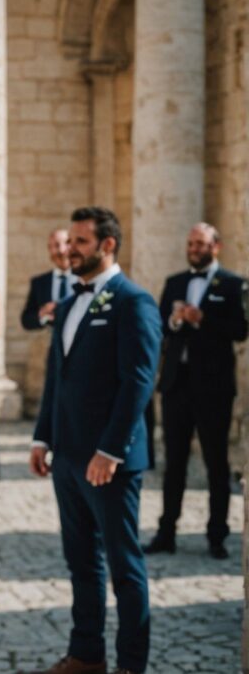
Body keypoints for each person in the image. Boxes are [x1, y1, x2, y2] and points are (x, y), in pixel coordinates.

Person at [25, 207, 159, 674]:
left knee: (124, 567)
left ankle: (131, 665)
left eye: (80, 242)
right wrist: (43, 438)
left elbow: (138, 381)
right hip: (66, 457)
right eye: (70, 241)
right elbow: (56, 379)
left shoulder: (133, 302)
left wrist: (111, 450)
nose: (70, 250)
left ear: (107, 245)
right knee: (81, 562)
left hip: (110, 461)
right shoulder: (65, 305)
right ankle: (86, 655)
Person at [143, 223, 248, 560]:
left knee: (215, 462)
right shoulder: (175, 282)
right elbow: (160, 325)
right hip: (176, 384)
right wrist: (175, 321)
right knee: (173, 462)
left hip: (213, 387)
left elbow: (241, 330)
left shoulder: (233, 284)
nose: (194, 248)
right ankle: (166, 531)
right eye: (190, 243)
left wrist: (202, 319)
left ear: (215, 247)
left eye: (200, 243)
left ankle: (217, 535)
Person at [20, 229, 75, 331]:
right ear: (49, 249)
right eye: (56, 245)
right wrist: (42, 313)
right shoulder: (39, 282)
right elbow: (26, 320)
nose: (61, 250)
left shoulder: (85, 279)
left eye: (66, 244)